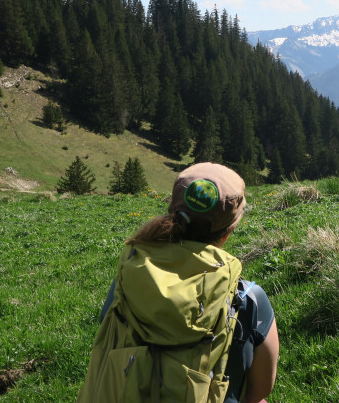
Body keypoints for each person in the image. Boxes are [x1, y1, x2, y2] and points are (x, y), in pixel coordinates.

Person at [87, 162, 279, 403]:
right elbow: (260, 389)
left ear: (172, 213)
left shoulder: (128, 277)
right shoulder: (249, 297)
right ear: (229, 230)